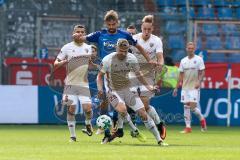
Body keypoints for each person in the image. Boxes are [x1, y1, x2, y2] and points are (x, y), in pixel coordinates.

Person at [97, 39, 168, 146]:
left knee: (143, 113)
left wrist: (148, 86)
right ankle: (134, 130)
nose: (123, 53)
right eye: (121, 50)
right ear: (116, 48)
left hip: (127, 89)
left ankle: (159, 140)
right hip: (113, 91)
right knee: (122, 109)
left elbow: (139, 75)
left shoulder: (132, 58)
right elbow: (99, 76)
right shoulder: (107, 59)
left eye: (125, 51)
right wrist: (100, 89)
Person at [53, 25, 94, 142]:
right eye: (78, 32)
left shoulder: (88, 47)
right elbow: (56, 63)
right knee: (72, 109)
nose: (80, 34)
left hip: (83, 84)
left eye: (82, 32)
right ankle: (73, 136)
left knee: (88, 109)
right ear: (73, 33)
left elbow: (90, 63)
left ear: (84, 33)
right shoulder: (67, 47)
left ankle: (87, 124)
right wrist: (65, 61)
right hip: (70, 84)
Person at [130, 15, 166, 140]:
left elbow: (160, 56)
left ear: (152, 29)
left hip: (149, 75)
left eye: (149, 29)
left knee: (144, 106)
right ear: (141, 27)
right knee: (134, 104)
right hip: (133, 74)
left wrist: (160, 65)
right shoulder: (134, 38)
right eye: (144, 29)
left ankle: (159, 124)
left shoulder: (156, 40)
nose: (146, 32)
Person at [173, 42, 207, 133]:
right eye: (189, 48)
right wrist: (176, 88)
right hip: (185, 88)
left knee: (192, 107)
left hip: (194, 87)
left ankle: (202, 119)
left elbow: (203, 72)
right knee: (186, 106)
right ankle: (188, 127)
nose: (190, 49)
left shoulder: (199, 59)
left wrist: (199, 82)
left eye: (192, 48)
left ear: (194, 49)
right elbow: (180, 75)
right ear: (186, 49)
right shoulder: (183, 60)